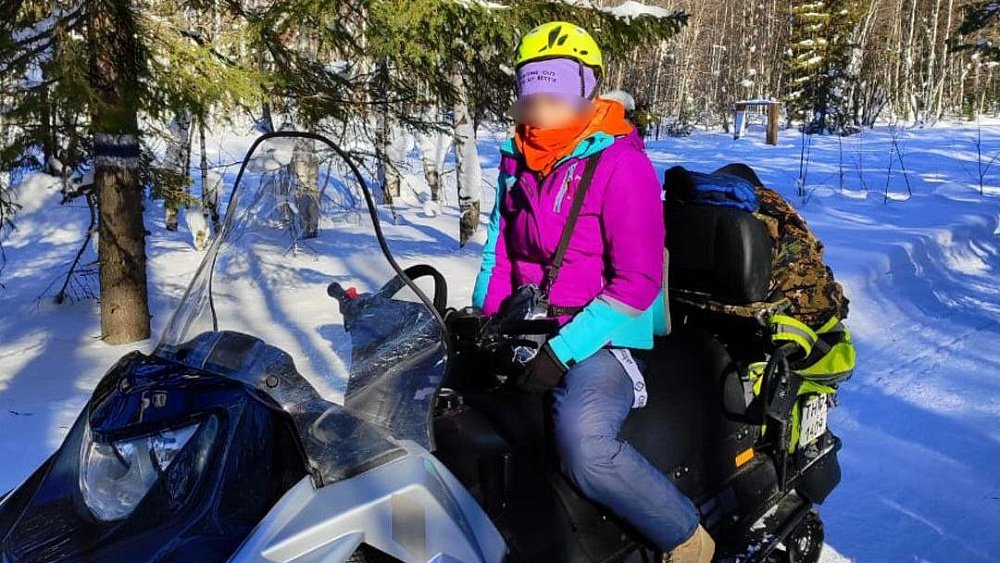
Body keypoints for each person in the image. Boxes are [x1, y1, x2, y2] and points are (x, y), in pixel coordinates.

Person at [472, 22, 714, 563]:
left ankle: (687, 539)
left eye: (557, 85)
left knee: (585, 446)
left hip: (603, 337)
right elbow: (501, 252)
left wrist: (562, 352)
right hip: (528, 325)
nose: (542, 102)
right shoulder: (517, 160)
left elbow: (638, 282)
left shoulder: (621, 165)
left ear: (587, 88)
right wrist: (484, 316)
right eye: (532, 85)